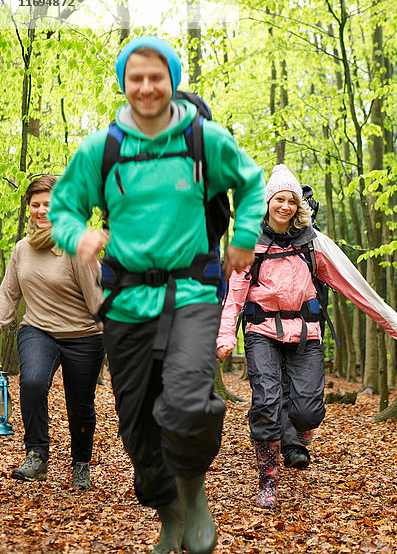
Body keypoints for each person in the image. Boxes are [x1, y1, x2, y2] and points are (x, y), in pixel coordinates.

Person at [48, 35, 267, 554]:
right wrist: (77, 236)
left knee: (189, 401)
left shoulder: (202, 139)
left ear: (173, 81)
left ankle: (193, 495)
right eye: (136, 78)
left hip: (190, 293)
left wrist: (241, 238)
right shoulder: (100, 150)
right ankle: (168, 513)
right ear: (124, 83)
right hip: (124, 304)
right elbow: (62, 207)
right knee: (138, 427)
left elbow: (252, 182)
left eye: (157, 77)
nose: (147, 88)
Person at [217, 163, 397, 509]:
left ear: (299, 205)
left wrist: (393, 322)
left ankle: (296, 436)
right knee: (266, 403)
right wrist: (225, 336)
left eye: (291, 201)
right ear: (267, 201)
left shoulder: (314, 243)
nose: (285, 207)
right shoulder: (248, 243)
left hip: (305, 332)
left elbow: (354, 286)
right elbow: (234, 297)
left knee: (309, 411)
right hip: (261, 332)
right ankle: (267, 479)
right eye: (279, 200)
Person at [0, 175, 105, 490]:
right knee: (31, 381)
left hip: (84, 335)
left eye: (49, 204)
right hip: (39, 329)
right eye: (35, 205)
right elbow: (7, 296)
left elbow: (97, 299)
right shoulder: (21, 250)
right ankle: (36, 455)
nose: (41, 211)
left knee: (80, 404)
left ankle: (80, 464)